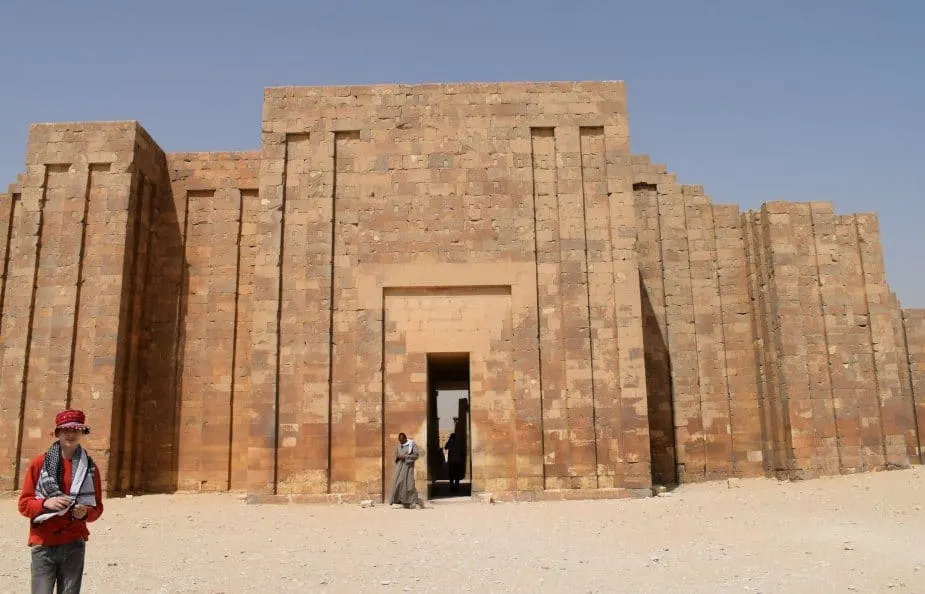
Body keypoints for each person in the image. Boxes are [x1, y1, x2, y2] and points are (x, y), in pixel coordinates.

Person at [18, 409, 104, 594]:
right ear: (57, 432)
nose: (71, 434)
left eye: (76, 430)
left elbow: (96, 508)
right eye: (66, 429)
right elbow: (24, 505)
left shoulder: (90, 468)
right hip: (43, 542)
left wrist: (86, 512)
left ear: (82, 433)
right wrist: (45, 504)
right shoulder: (39, 464)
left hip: (74, 542)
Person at [388, 432, 424, 508]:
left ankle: (412, 500)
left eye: (402, 440)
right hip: (399, 467)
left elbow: (416, 455)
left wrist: (405, 457)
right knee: (398, 482)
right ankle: (398, 500)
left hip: (408, 467)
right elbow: (396, 455)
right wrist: (398, 457)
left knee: (409, 483)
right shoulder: (399, 445)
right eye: (399, 440)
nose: (401, 442)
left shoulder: (412, 445)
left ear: (405, 438)